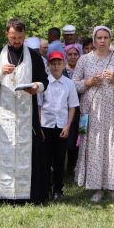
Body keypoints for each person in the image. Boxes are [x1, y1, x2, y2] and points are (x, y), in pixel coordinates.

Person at [0, 18, 49, 205]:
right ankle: (0, 197)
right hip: (4, 115)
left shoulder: (34, 57)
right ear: (7, 35)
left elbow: (45, 81)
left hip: (28, 117)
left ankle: (29, 196)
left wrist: (37, 87)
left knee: (30, 153)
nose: (16, 41)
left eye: (20, 37)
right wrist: (0, 72)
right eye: (13, 37)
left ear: (24, 35)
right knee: (3, 152)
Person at [72, 26, 114, 203]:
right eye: (99, 37)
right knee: (95, 147)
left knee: (113, 146)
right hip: (92, 110)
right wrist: (89, 82)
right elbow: (74, 85)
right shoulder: (84, 60)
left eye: (106, 37)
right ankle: (96, 188)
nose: (103, 41)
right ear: (94, 40)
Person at [38, 51, 79, 200]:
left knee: (60, 159)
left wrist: (68, 125)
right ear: (48, 65)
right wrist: (39, 126)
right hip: (46, 125)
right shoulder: (43, 84)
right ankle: (46, 188)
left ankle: (58, 190)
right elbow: (39, 106)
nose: (56, 66)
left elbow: (72, 106)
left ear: (64, 65)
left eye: (59, 63)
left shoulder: (69, 83)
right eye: (53, 63)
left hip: (62, 125)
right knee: (45, 159)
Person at [63, 43, 83, 175]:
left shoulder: (83, 70)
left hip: (81, 110)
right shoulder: (62, 70)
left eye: (76, 54)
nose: (73, 57)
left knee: (78, 141)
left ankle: (73, 170)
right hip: (64, 110)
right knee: (66, 140)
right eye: (70, 54)